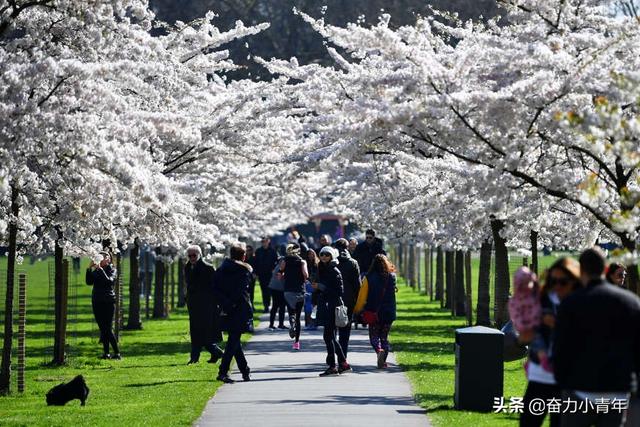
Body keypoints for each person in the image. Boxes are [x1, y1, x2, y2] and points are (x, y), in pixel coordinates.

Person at [554, 247, 640, 427]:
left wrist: (563, 382)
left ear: (581, 270)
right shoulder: (631, 302)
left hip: (580, 388)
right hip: (618, 389)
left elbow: (560, 349)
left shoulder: (571, 303)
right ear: (605, 268)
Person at [518, 258, 582, 427]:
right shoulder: (542, 298)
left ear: (575, 280)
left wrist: (558, 324)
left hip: (567, 378)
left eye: (563, 281)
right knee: (528, 422)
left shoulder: (580, 301)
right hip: (540, 374)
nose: (558, 286)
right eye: (554, 281)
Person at [213, 243, 253, 384]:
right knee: (233, 341)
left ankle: (244, 369)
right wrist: (233, 302)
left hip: (226, 309)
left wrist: (225, 303)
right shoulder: (243, 271)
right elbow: (241, 291)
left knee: (234, 340)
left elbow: (215, 289)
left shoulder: (221, 270)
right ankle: (223, 371)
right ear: (243, 256)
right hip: (239, 309)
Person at [354, 254, 397, 369]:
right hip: (389, 312)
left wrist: (357, 309)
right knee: (384, 337)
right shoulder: (392, 277)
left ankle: (379, 351)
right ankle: (383, 362)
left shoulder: (368, 278)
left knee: (374, 337)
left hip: (374, 312)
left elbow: (362, 297)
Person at [184, 245, 223, 365]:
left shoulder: (208, 268)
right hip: (194, 305)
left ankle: (216, 353)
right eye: (189, 255)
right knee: (195, 331)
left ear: (199, 255)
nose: (191, 258)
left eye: (194, 255)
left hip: (206, 305)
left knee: (205, 332)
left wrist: (216, 303)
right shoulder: (187, 267)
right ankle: (196, 357)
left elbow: (215, 286)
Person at [314, 246, 347, 376]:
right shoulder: (322, 269)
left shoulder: (334, 271)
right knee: (330, 336)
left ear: (332, 256)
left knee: (329, 336)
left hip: (332, 306)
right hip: (325, 305)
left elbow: (339, 291)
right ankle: (343, 363)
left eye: (327, 255)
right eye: (322, 254)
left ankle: (334, 366)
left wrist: (321, 287)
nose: (323, 257)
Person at [86, 251, 121, 359]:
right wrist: (88, 268)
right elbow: (89, 282)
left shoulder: (112, 270)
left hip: (108, 301)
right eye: (100, 256)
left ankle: (117, 353)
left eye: (105, 256)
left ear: (109, 259)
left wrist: (100, 270)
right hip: (97, 301)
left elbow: (109, 282)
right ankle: (106, 353)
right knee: (102, 328)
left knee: (107, 328)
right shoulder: (96, 270)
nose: (102, 258)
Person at [334, 238, 361, 358]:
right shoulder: (353, 263)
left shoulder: (331, 262)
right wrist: (357, 300)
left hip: (333, 299)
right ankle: (343, 356)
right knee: (345, 330)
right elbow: (357, 285)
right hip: (348, 300)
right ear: (347, 247)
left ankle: (334, 354)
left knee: (332, 330)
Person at [279, 243, 308, 350]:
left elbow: (280, 274)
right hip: (300, 290)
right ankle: (296, 342)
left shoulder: (284, 261)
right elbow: (306, 274)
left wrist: (283, 275)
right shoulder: (302, 261)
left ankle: (292, 322)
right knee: (299, 316)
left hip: (288, 290)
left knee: (292, 312)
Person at [254, 237, 278, 313]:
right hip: (262, 274)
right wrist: (256, 273)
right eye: (262, 241)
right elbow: (256, 263)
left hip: (271, 274)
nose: (264, 243)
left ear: (268, 241)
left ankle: (271, 304)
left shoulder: (273, 251)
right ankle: (266, 306)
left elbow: (276, 262)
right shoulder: (258, 251)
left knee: (270, 290)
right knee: (264, 290)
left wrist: (274, 270)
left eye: (265, 241)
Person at [305, 249, 320, 330]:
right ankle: (308, 322)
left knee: (314, 306)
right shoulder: (305, 263)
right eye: (309, 254)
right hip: (307, 286)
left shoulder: (318, 264)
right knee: (307, 306)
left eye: (312, 254)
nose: (310, 256)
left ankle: (314, 322)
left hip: (315, 286)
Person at [245, 245, 258, 310]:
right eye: (247, 250)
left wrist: (255, 273)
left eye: (249, 250)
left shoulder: (254, 258)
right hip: (245, 277)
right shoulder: (244, 259)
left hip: (252, 276)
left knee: (251, 291)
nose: (248, 252)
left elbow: (256, 266)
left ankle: (251, 304)